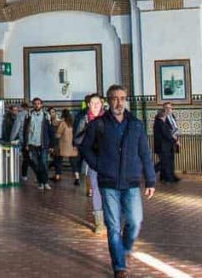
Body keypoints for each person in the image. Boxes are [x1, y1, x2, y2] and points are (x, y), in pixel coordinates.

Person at [80, 85, 155, 278]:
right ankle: (119, 267)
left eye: (122, 98)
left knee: (135, 222)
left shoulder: (136, 124)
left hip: (131, 182)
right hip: (108, 182)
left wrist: (151, 180)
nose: (119, 102)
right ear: (108, 100)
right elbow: (85, 148)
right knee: (113, 227)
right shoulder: (98, 125)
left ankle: (125, 249)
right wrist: (98, 165)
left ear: (126, 100)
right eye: (114, 98)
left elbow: (145, 154)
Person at [74, 93, 106, 232]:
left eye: (97, 103)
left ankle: (111, 219)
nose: (95, 106)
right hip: (93, 161)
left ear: (102, 104)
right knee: (96, 189)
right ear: (88, 105)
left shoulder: (108, 119)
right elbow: (77, 140)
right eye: (92, 103)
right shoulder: (84, 119)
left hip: (109, 160)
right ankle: (99, 222)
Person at [22, 97, 54, 190]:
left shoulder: (46, 115)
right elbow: (25, 130)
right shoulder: (29, 115)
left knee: (43, 163)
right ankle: (40, 182)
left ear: (41, 105)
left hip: (43, 143)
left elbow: (51, 131)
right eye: (35, 103)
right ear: (33, 105)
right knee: (36, 164)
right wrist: (26, 144)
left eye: (39, 103)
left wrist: (52, 144)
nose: (37, 105)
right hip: (32, 143)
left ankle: (46, 182)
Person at [153, 102, 181, 183]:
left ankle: (169, 176)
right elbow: (166, 133)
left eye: (170, 108)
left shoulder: (172, 116)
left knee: (170, 160)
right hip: (164, 143)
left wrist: (177, 139)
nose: (169, 110)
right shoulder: (160, 119)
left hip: (170, 143)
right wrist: (175, 140)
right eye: (167, 108)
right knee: (165, 162)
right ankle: (166, 177)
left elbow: (175, 129)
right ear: (163, 109)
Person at [55, 109, 80, 186]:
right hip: (73, 146)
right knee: (74, 163)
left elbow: (58, 134)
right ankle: (77, 178)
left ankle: (57, 176)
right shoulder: (73, 123)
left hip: (63, 146)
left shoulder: (63, 123)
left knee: (59, 161)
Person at [9, 100, 30, 180]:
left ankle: (23, 175)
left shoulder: (20, 115)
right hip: (31, 140)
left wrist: (11, 139)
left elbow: (15, 129)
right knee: (29, 158)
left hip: (23, 140)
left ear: (21, 107)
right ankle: (35, 175)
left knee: (25, 158)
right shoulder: (30, 114)